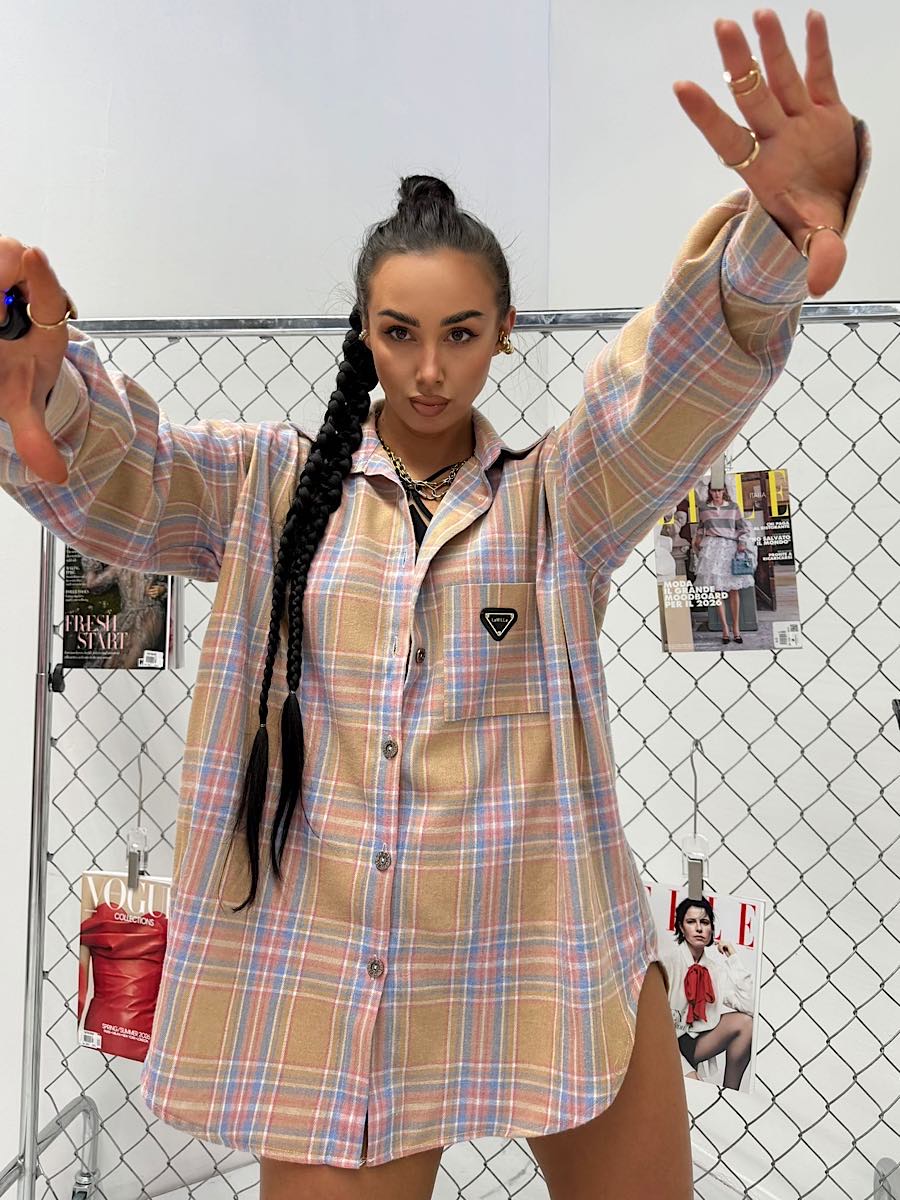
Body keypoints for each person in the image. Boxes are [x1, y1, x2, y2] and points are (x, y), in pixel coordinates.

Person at [0, 11, 867, 1200]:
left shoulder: (559, 499)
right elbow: (128, 470)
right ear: (364, 335)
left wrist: (770, 237)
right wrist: (44, 380)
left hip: (550, 958)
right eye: (399, 334)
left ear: (503, 333)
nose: (426, 368)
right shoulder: (264, 490)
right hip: (334, 980)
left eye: (460, 334)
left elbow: (665, 393)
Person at [660, 897, 756, 1092]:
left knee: (747, 1024)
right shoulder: (666, 962)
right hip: (661, 1041)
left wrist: (733, 957)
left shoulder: (715, 971)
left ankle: (731, 1095)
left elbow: (750, 1006)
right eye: (691, 922)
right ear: (681, 927)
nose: (698, 928)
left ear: (711, 929)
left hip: (692, 1041)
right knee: (695, 1086)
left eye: (704, 922)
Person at [692, 481, 756, 644]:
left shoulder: (733, 507)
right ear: (709, 491)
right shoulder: (704, 509)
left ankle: (736, 628)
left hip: (730, 548)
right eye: (714, 491)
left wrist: (742, 542)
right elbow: (701, 527)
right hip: (711, 549)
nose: (717, 494)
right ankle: (725, 629)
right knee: (717, 592)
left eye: (719, 490)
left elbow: (743, 528)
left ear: (724, 491)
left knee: (734, 590)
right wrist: (697, 539)